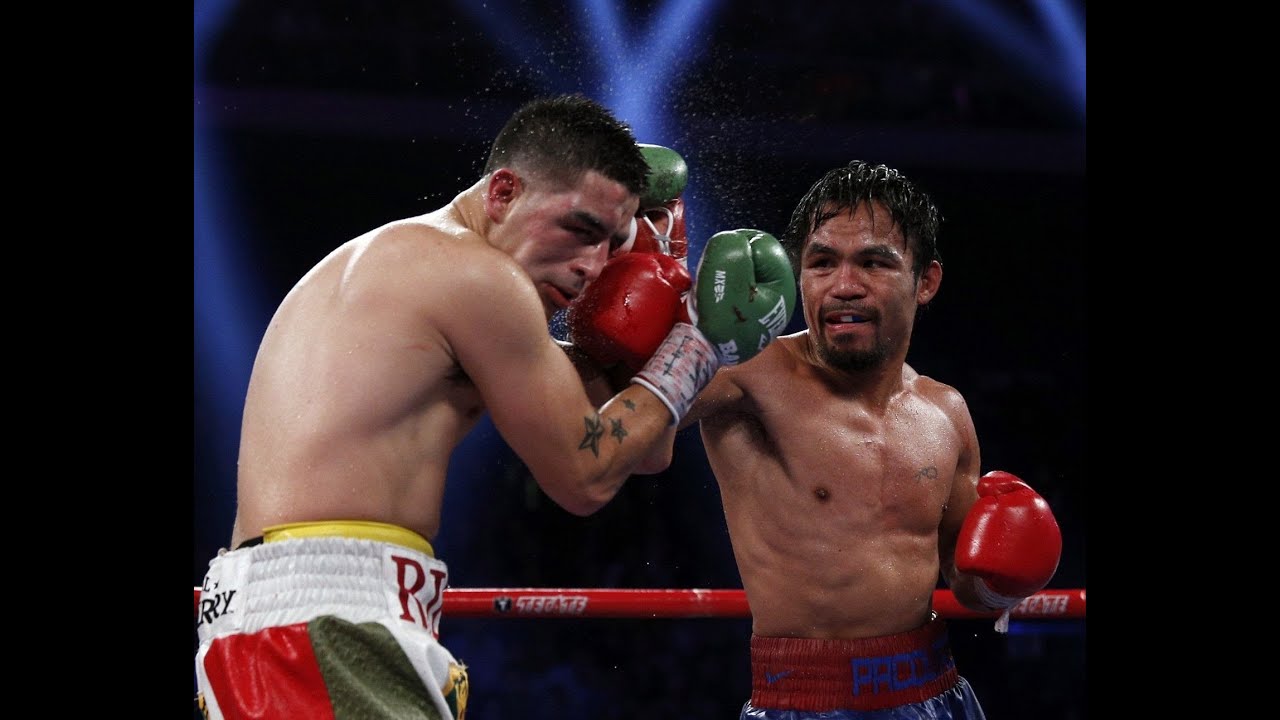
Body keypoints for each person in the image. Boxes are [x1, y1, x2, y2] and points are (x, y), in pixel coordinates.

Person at [193, 94, 794, 720]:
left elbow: (641, 450)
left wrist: (655, 285)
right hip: (327, 626)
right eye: (580, 230)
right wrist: (697, 345)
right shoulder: (479, 278)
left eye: (613, 246)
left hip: (292, 617)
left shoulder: (418, 268)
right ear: (503, 192)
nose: (593, 266)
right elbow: (586, 475)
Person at [672, 160, 1064, 719]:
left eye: (874, 263)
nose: (844, 286)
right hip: (804, 701)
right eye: (822, 263)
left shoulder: (946, 411)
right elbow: (618, 409)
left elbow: (968, 584)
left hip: (937, 692)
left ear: (925, 281)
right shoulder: (748, 372)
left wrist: (1005, 584)